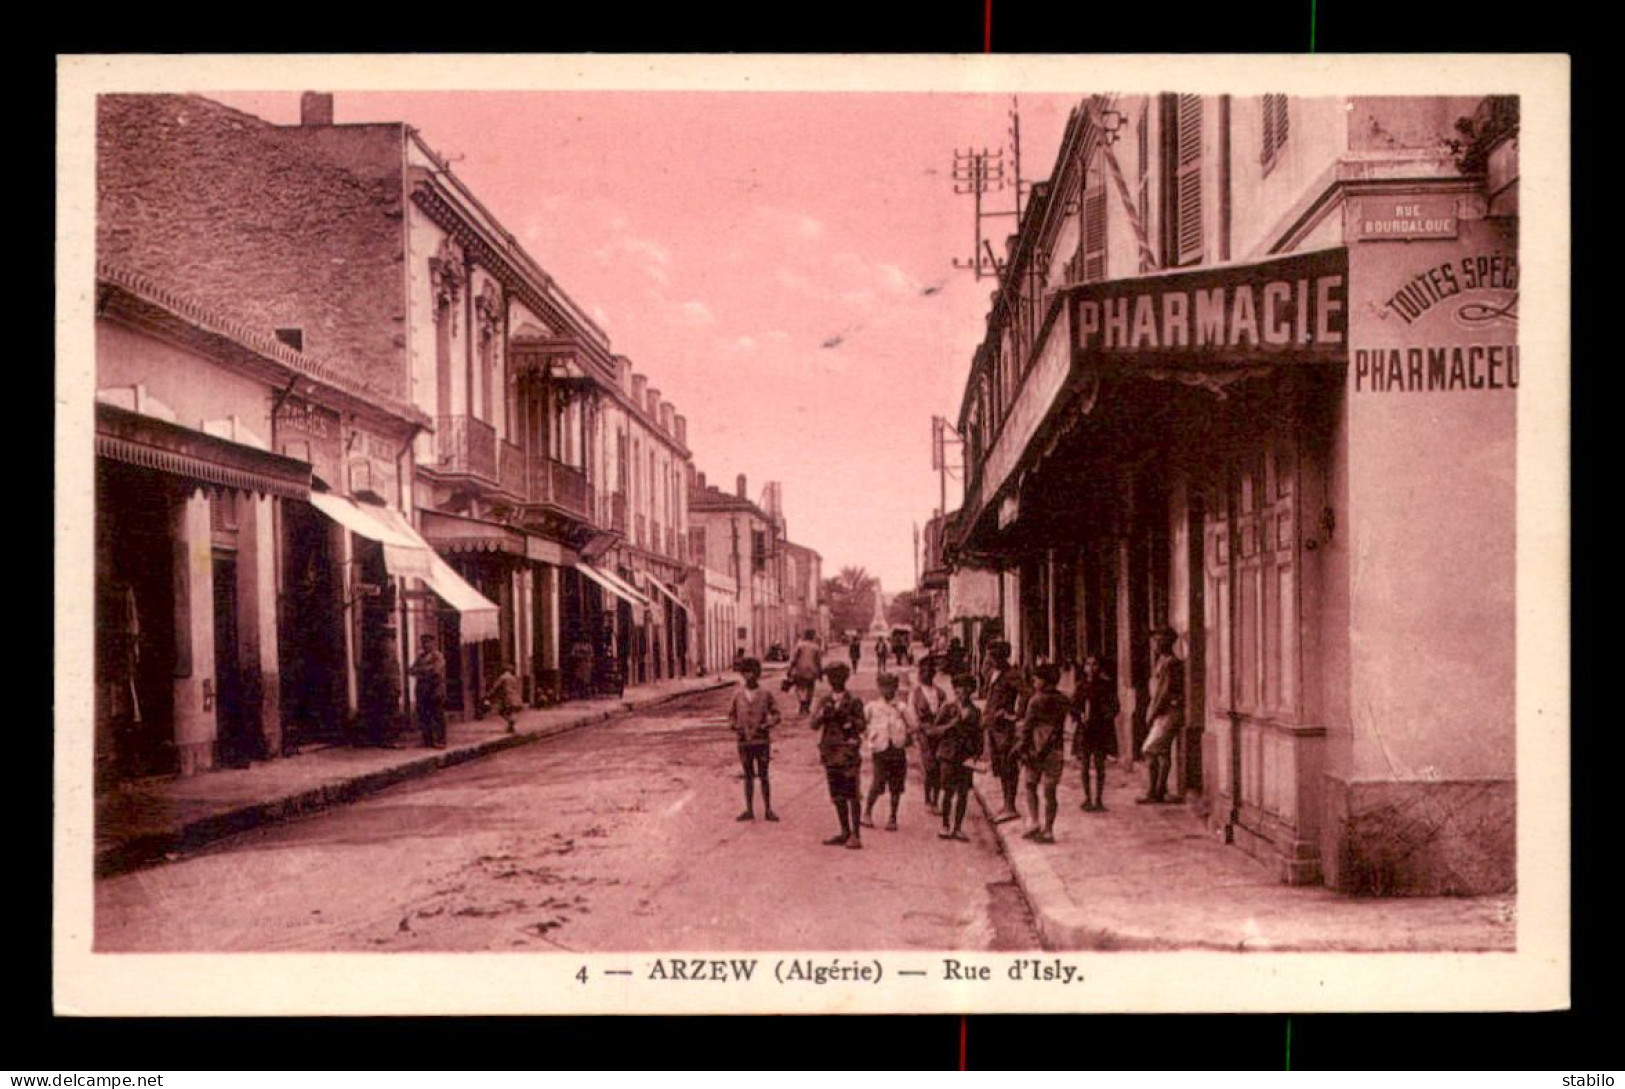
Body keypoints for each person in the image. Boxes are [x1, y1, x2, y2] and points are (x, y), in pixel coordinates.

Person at [810, 660, 866, 849]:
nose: (834, 680)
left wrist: (846, 719)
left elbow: (862, 725)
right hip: (830, 750)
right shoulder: (825, 700)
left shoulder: (854, 701)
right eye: (831, 677)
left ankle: (856, 835)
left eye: (838, 676)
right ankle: (844, 831)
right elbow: (813, 724)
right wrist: (823, 716)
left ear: (845, 678)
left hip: (848, 751)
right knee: (837, 794)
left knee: (852, 793)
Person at [1018, 662, 1068, 844]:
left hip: (1035, 749)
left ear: (1045, 681)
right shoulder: (1063, 700)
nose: (1034, 681)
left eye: (1037, 678)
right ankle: (1048, 830)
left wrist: (1022, 748)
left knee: (1030, 785)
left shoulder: (1036, 700)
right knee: (1050, 791)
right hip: (1055, 749)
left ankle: (1034, 821)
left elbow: (1027, 727)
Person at [728, 657, 781, 822]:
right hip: (744, 741)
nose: (749, 676)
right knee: (748, 775)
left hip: (761, 741)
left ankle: (768, 809)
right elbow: (731, 715)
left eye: (752, 672)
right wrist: (735, 726)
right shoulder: (737, 694)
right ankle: (749, 809)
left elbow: (777, 714)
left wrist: (768, 724)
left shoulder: (765, 694)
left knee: (764, 775)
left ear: (757, 674)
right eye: (745, 672)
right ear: (742, 674)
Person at [1137, 628, 1186, 805]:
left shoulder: (1171, 663)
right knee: (1162, 752)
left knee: (1149, 749)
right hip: (1164, 711)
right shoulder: (1161, 661)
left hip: (1168, 712)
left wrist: (1152, 711)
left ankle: (1154, 791)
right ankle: (1160, 790)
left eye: (1159, 641)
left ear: (1168, 642)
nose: (1155, 645)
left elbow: (1164, 692)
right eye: (1154, 641)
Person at [981, 641, 1026, 824]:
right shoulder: (993, 673)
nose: (990, 659)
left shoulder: (1012, 674)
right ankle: (1005, 804)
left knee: (1009, 765)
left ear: (1001, 656)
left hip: (1005, 728)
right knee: (999, 766)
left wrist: (1014, 715)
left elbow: (1026, 693)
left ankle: (1011, 806)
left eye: (993, 655)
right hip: (993, 726)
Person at [861, 671, 912, 831]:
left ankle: (892, 817)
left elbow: (914, 725)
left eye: (891, 687)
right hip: (880, 750)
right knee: (877, 782)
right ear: (878, 688)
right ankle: (867, 812)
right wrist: (869, 737)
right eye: (884, 687)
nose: (887, 690)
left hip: (897, 750)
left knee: (896, 785)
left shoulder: (902, 707)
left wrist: (906, 736)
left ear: (896, 688)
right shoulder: (872, 707)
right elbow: (862, 724)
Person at [936, 673, 983, 841]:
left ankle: (957, 827)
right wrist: (951, 725)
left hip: (965, 756)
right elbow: (936, 730)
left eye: (962, 688)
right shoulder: (947, 708)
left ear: (970, 690)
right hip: (948, 755)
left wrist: (978, 753)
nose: (958, 691)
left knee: (963, 793)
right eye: (956, 688)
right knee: (947, 791)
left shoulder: (975, 711)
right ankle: (945, 825)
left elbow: (978, 734)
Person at [1071, 655, 1119, 811]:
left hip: (1100, 729)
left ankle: (1098, 799)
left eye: (1095, 664)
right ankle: (1087, 798)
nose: (1091, 668)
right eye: (1088, 665)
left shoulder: (1106, 686)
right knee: (1084, 765)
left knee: (1100, 765)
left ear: (1100, 667)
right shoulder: (1081, 686)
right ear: (1084, 667)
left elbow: (1115, 707)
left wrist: (1106, 714)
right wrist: (1079, 715)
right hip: (1085, 730)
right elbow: (1073, 706)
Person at [909, 656, 947, 812]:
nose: (926, 674)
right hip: (924, 734)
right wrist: (918, 731)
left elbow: (946, 712)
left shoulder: (940, 693)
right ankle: (927, 798)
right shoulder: (915, 693)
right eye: (923, 671)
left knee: (938, 767)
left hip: (939, 733)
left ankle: (935, 800)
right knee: (929, 766)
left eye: (929, 671)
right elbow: (912, 716)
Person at [409, 633, 448, 749]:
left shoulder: (438, 656)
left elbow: (436, 671)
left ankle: (441, 741)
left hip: (435, 690)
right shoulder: (420, 657)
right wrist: (426, 670)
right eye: (423, 642)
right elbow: (411, 670)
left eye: (427, 642)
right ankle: (427, 740)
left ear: (432, 643)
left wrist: (421, 671)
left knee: (437, 716)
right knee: (424, 716)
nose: (425, 645)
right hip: (422, 691)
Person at [788, 629, 823, 715]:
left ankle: (802, 703)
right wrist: (820, 673)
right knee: (810, 688)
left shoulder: (799, 646)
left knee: (799, 688)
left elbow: (794, 659)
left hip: (800, 670)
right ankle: (807, 706)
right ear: (812, 636)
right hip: (812, 671)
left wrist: (790, 669)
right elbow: (818, 661)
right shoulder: (816, 647)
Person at [483, 661, 523, 733]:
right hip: (515, 697)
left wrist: (489, 694)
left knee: (501, 711)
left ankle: (511, 721)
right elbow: (517, 688)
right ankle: (511, 727)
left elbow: (495, 686)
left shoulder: (503, 677)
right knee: (510, 712)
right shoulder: (513, 678)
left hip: (507, 697)